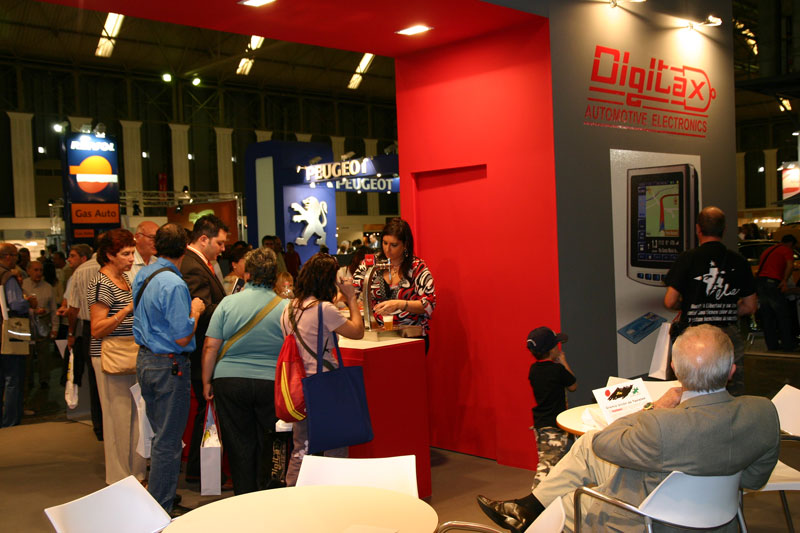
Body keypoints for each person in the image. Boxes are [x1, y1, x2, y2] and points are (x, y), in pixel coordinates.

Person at [476, 324, 780, 533]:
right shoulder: (763, 413)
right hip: (719, 517)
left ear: (676, 369)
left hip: (651, 520)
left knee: (570, 497)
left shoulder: (660, 423)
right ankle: (528, 507)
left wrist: (654, 407)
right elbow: (753, 479)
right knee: (587, 444)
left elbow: (606, 441)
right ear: (731, 370)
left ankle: (534, 513)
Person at [201, 248, 289, 494]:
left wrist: (207, 381)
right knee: (270, 441)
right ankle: (268, 493)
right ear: (275, 275)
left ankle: (243, 495)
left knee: (238, 443)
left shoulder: (228, 303)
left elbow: (210, 346)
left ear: (247, 274)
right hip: (271, 382)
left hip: (229, 381)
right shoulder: (286, 307)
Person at [133, 223, 204, 515]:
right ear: (185, 248)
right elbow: (183, 336)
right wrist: (195, 311)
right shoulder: (174, 284)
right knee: (168, 441)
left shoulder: (145, 274)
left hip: (146, 361)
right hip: (169, 364)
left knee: (160, 436)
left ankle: (161, 495)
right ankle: (161, 506)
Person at [280, 253, 364, 485]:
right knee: (336, 446)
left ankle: (292, 491)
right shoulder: (324, 309)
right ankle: (334, 494)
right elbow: (357, 331)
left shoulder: (288, 309)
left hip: (300, 387)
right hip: (326, 385)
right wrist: (351, 298)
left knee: (301, 447)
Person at [663, 206, 756, 395]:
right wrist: (725, 310)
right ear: (724, 229)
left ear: (698, 229)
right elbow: (750, 305)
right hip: (726, 336)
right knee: (731, 391)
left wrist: (689, 306)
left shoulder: (687, 259)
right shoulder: (738, 261)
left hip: (692, 335)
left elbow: (670, 301)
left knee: (688, 390)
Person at [88, 229, 147, 485]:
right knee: (117, 419)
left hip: (129, 352)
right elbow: (97, 328)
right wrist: (126, 310)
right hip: (110, 356)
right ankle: (120, 478)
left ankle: (136, 474)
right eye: (125, 254)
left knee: (135, 417)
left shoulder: (124, 279)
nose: (131, 258)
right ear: (110, 255)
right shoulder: (101, 283)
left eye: (132, 253)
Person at [181, 214, 228, 484]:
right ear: (203, 239)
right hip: (200, 349)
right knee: (205, 409)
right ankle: (200, 471)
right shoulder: (193, 266)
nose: (223, 248)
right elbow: (203, 311)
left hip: (201, 348)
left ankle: (199, 470)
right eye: (219, 243)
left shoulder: (199, 263)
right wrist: (230, 308)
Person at [352, 217, 437, 353]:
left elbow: (429, 305)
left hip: (411, 338)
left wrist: (400, 304)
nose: (387, 249)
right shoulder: (371, 264)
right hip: (378, 339)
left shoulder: (417, 267)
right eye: (385, 243)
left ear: (405, 245)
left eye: (394, 245)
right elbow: (352, 288)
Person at [526, 326, 576, 488]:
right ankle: (534, 497)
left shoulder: (534, 370)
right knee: (547, 466)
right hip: (554, 424)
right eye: (556, 345)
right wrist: (563, 361)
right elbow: (573, 385)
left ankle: (551, 496)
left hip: (541, 423)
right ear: (552, 350)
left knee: (552, 461)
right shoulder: (557, 370)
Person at [65, 243, 103, 439]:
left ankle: (99, 426)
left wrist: (71, 333)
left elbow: (73, 309)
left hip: (90, 328)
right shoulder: (119, 268)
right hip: (113, 327)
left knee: (95, 378)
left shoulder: (81, 271)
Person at [0, 243, 33, 427]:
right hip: (11, 329)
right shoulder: (8, 277)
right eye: (15, 256)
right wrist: (28, 301)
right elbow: (16, 304)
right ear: (7, 257)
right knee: (13, 377)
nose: (16, 259)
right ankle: (11, 420)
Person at [756, 234, 798, 351]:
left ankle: (772, 345)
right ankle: (788, 344)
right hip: (772, 283)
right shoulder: (786, 250)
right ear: (791, 244)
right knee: (782, 315)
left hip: (761, 283)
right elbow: (790, 265)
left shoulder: (768, 250)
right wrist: (784, 280)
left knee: (767, 315)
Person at [22, 260, 58, 389]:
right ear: (28, 271)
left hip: (43, 321)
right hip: (27, 323)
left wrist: (55, 328)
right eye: (35, 270)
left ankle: (44, 379)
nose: (38, 273)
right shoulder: (23, 285)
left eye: (41, 270)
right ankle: (28, 380)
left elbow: (53, 309)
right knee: (27, 354)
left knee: (44, 353)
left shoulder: (48, 287)